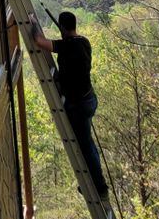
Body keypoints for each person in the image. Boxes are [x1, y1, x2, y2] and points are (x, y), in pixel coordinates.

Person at [30, 10, 109, 200]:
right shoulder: (83, 42)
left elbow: (39, 41)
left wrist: (32, 23)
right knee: (87, 144)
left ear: (62, 27)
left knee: (86, 147)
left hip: (79, 105)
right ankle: (96, 183)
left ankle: (100, 187)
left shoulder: (67, 46)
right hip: (89, 99)